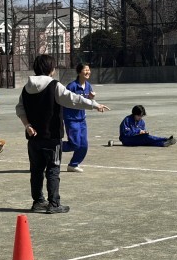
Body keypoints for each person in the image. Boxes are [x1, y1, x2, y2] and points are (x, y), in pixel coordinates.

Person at [16, 54, 110, 214]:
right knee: (53, 169)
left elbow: (20, 109)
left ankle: (38, 201)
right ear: (50, 69)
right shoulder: (54, 86)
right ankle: (54, 204)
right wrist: (94, 104)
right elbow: (73, 99)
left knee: (36, 170)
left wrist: (27, 125)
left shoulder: (26, 88)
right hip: (52, 136)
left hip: (33, 138)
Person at [62, 63, 96, 173]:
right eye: (85, 70)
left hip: (82, 120)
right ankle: (53, 146)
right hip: (71, 119)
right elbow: (64, 101)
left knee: (84, 145)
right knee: (75, 144)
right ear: (79, 72)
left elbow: (87, 102)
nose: (88, 72)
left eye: (89, 70)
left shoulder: (88, 86)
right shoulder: (71, 86)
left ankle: (73, 165)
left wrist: (91, 98)